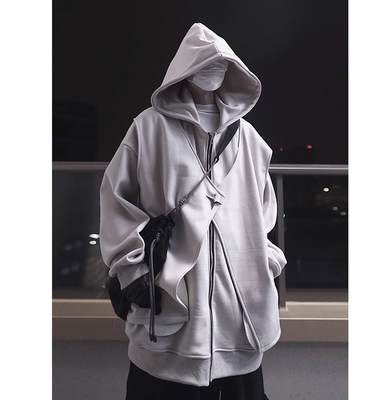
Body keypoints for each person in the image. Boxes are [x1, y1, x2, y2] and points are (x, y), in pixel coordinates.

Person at [99, 22, 287, 400]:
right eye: (204, 63)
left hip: (239, 314)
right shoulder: (149, 129)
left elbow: (265, 211)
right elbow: (117, 201)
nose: (213, 70)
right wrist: (133, 271)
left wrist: (266, 261)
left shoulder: (249, 138)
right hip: (172, 306)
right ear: (185, 69)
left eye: (222, 64)